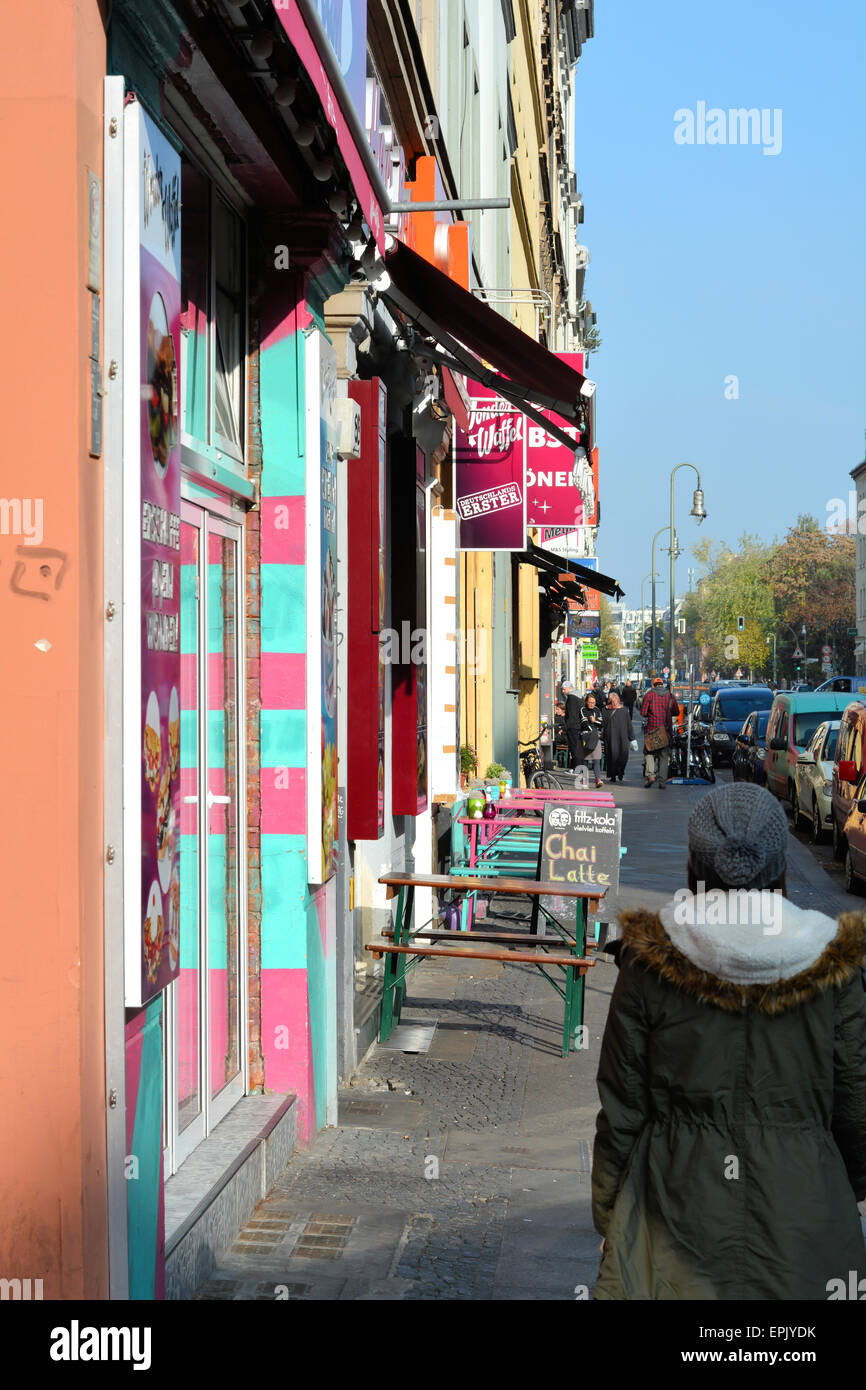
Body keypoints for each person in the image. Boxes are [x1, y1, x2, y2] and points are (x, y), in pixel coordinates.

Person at [592, 782, 866, 1300]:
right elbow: (856, 1103)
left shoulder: (650, 961)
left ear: (695, 869)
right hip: (803, 1211)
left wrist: (611, 1216)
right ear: (780, 867)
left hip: (672, 1207)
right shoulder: (834, 965)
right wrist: (838, 1192)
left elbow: (622, 1106)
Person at [640, 676, 679, 788]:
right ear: (662, 685)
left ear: (653, 685)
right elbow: (676, 711)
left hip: (652, 729)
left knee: (649, 753)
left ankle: (651, 776)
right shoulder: (670, 696)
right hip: (665, 730)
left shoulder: (649, 695)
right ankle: (662, 781)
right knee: (663, 756)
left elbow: (643, 712)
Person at [602, 691, 634, 783]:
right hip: (622, 737)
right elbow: (629, 725)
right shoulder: (624, 710)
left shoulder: (605, 710)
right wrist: (632, 737)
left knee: (611, 756)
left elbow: (602, 724)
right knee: (623, 755)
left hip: (610, 737)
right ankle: (621, 771)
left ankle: (613, 775)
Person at [580, 692, 605, 788]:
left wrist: (594, 721)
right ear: (586, 702)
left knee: (596, 759)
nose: (592, 704)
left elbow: (601, 723)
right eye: (590, 702)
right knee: (585, 759)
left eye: (593, 702)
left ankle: (597, 779)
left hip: (595, 737)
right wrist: (593, 729)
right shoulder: (582, 710)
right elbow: (584, 723)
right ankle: (585, 779)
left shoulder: (597, 710)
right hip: (586, 736)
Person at [562, 682, 585, 770]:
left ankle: (576, 768)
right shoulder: (580, 696)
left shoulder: (571, 698)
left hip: (573, 727)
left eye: (564, 689)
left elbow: (571, 714)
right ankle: (580, 767)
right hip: (579, 725)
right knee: (579, 747)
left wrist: (567, 726)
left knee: (574, 748)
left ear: (569, 688)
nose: (563, 691)